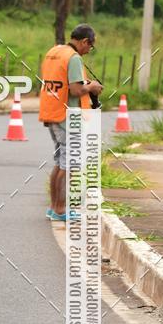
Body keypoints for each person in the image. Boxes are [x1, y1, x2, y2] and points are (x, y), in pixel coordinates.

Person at [39, 23, 103, 221]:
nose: (89, 50)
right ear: (85, 41)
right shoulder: (73, 58)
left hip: (53, 112)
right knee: (69, 166)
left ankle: (54, 208)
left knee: (60, 163)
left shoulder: (54, 52)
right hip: (68, 117)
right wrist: (92, 87)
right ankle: (60, 210)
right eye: (90, 46)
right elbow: (76, 90)